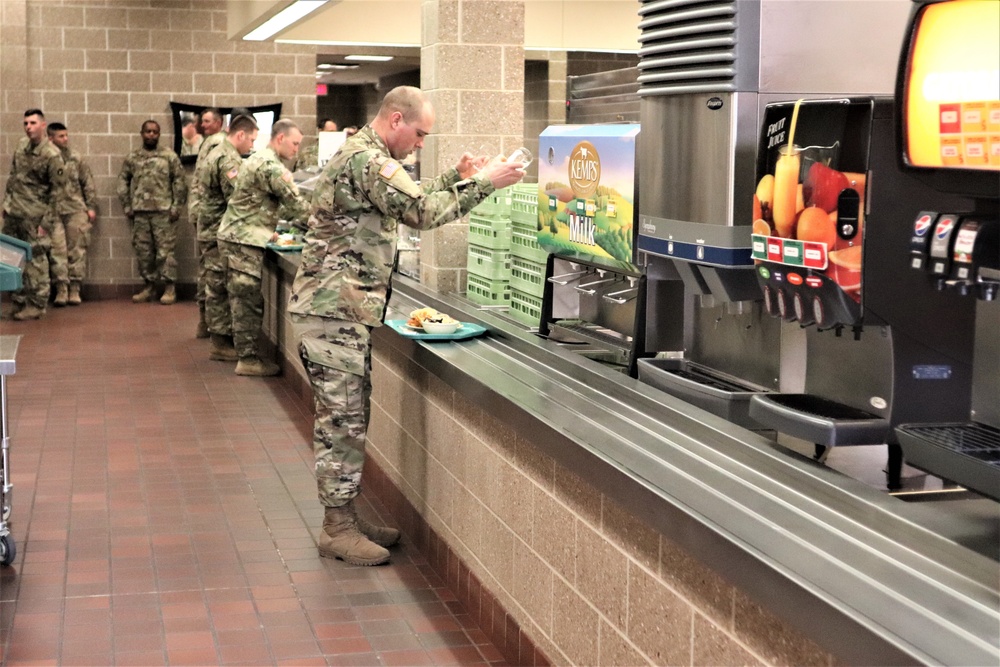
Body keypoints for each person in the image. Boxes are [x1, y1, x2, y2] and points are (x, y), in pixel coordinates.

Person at [287, 86, 525, 566]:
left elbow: (407, 198)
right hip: (333, 312)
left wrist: (452, 178)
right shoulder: (369, 160)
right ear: (396, 120)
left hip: (337, 310)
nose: (420, 144)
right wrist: (486, 184)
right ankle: (337, 529)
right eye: (419, 135)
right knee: (342, 423)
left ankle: (346, 518)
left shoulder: (368, 157)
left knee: (348, 418)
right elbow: (420, 213)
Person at [217, 118, 309, 377]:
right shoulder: (270, 165)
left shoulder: (256, 159)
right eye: (294, 143)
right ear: (280, 138)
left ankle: (245, 353)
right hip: (242, 240)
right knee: (247, 300)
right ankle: (247, 359)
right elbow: (296, 205)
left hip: (237, 237)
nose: (296, 150)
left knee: (242, 299)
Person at [198, 114, 259, 362]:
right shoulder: (228, 158)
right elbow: (238, 198)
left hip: (213, 229)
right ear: (240, 134)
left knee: (216, 285)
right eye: (252, 140)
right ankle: (220, 343)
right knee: (219, 286)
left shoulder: (220, 150)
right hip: (216, 232)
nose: (252, 146)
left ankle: (220, 337)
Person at [1, 108, 66, 321]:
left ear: (43, 125)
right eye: (26, 123)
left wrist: (46, 222)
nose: (28, 127)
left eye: (32, 123)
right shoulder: (21, 146)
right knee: (11, 257)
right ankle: (18, 301)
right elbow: (13, 176)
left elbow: (58, 192)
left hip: (35, 216)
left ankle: (37, 304)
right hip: (15, 213)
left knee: (36, 260)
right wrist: (6, 204)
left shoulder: (52, 155)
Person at [116, 120, 187, 304]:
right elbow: (123, 181)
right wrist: (127, 205)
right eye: (148, 131)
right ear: (142, 133)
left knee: (165, 253)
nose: (151, 135)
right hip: (140, 213)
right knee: (144, 253)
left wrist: (176, 207)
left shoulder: (168, 156)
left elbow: (180, 181)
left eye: (155, 132)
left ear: (159, 134)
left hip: (163, 213)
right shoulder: (133, 158)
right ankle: (149, 287)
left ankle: (170, 288)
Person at [45, 122, 97, 306]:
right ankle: (61, 289)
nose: (65, 139)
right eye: (61, 136)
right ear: (50, 138)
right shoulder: (44, 158)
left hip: (75, 209)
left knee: (77, 249)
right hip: (52, 211)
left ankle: (74, 289)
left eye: (66, 135)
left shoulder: (75, 157)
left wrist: (91, 207)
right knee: (57, 251)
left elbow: (87, 182)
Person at [189, 107, 228, 335]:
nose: (202, 125)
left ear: (219, 122)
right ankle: (210, 325)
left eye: (207, 121)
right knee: (211, 272)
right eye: (201, 121)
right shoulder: (213, 142)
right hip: (211, 217)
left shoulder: (213, 143)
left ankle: (205, 321)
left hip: (205, 215)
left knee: (206, 270)